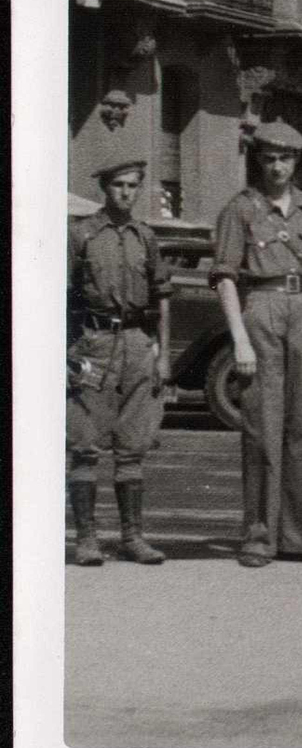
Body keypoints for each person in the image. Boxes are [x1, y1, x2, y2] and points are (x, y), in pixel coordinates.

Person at [210, 122, 302, 567]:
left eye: (285, 158)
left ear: (297, 161)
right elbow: (225, 277)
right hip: (261, 305)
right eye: (269, 158)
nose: (278, 166)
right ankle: (259, 537)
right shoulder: (240, 210)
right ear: (257, 160)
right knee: (263, 426)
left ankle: (299, 538)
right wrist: (239, 339)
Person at [67, 159, 174, 566]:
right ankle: (87, 540)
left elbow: (162, 295)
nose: (125, 193)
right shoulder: (81, 234)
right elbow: (60, 294)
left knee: (132, 446)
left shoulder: (145, 237)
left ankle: (133, 537)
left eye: (132, 186)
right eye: (118, 185)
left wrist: (162, 355)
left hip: (135, 343)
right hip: (92, 343)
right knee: (85, 446)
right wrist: (64, 355)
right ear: (104, 188)